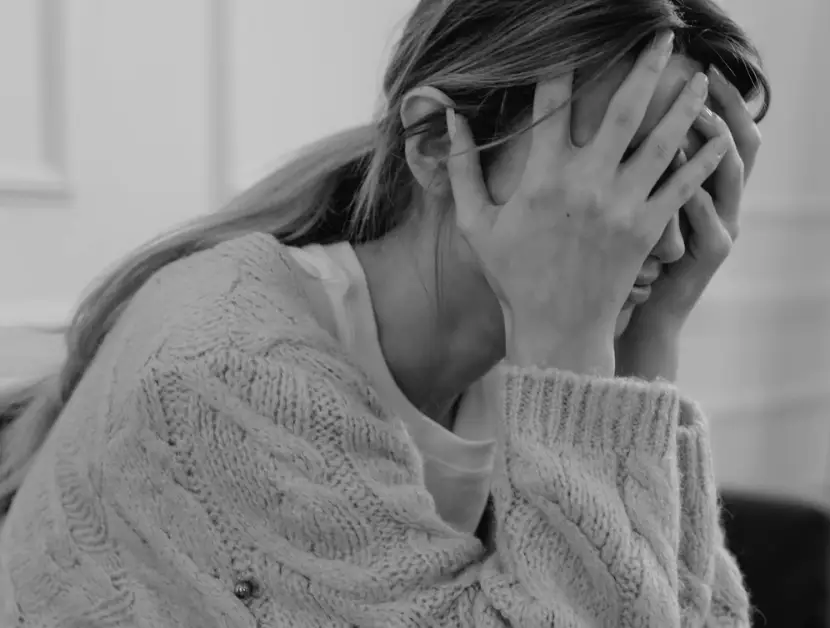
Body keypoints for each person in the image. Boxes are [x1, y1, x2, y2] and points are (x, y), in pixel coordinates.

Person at [0, 0, 770, 624]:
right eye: (619, 167)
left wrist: (647, 342)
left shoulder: (538, 352)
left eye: (685, 181)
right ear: (438, 142)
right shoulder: (227, 369)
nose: (663, 236)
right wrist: (589, 360)